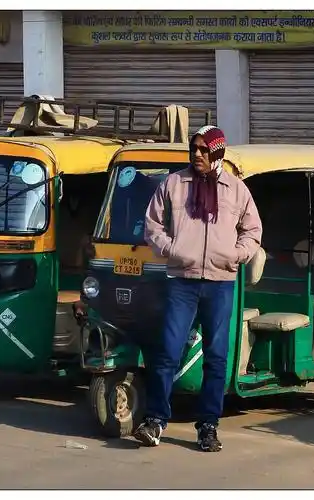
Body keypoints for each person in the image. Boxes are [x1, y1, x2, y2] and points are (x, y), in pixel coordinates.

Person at [135, 125, 263, 452]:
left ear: (217, 152)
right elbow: (152, 226)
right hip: (182, 281)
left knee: (217, 358)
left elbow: (253, 230)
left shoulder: (236, 190)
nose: (197, 155)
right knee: (167, 350)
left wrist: (236, 254)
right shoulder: (175, 184)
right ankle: (155, 420)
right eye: (194, 149)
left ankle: (208, 425)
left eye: (204, 150)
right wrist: (172, 249)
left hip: (220, 284)